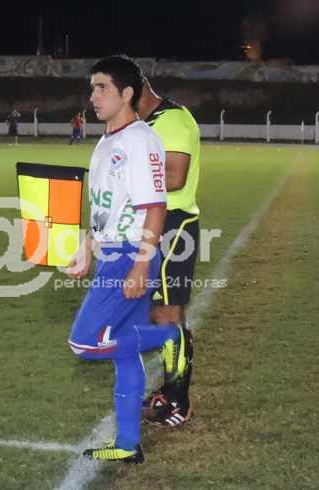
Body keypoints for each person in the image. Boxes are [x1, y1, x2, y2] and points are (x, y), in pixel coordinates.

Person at [66, 55, 191, 463]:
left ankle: (170, 337)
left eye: (102, 88)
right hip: (112, 252)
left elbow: (155, 206)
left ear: (127, 94)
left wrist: (140, 264)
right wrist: (88, 246)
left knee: (84, 342)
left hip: (130, 254)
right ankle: (127, 443)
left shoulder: (140, 140)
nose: (93, 96)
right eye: (92, 88)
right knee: (124, 352)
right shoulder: (107, 141)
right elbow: (106, 208)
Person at [136, 78, 201, 427]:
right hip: (154, 223)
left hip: (173, 224)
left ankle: (177, 401)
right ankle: (172, 391)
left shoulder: (172, 119)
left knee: (167, 313)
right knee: (159, 312)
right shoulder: (145, 124)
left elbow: (175, 177)